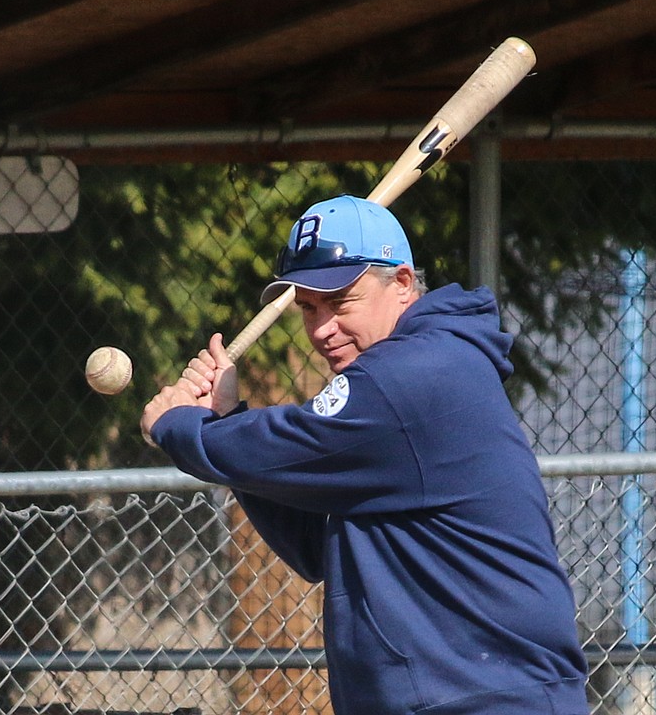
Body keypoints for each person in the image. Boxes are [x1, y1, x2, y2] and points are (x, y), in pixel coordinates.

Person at [141, 194, 589, 715]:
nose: (321, 328)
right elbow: (314, 546)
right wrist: (225, 420)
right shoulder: (413, 376)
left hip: (488, 699)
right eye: (308, 307)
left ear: (401, 284)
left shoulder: (412, 375)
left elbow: (281, 444)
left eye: (340, 303)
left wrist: (179, 426)